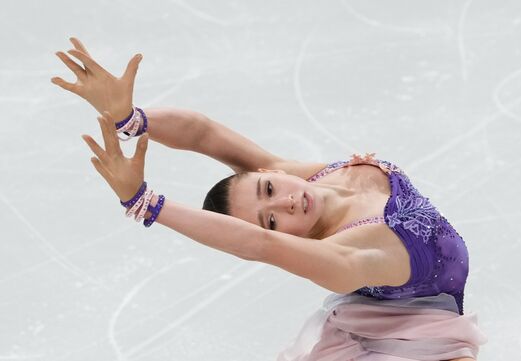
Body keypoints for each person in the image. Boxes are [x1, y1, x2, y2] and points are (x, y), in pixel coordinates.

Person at [52, 38, 486, 361]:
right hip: (424, 337)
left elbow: (204, 134)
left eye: (268, 192)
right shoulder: (342, 256)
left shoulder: (314, 178)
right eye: (273, 222)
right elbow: (256, 245)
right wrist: (144, 203)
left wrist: (131, 119)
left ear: (270, 175)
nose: (286, 205)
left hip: (402, 309)